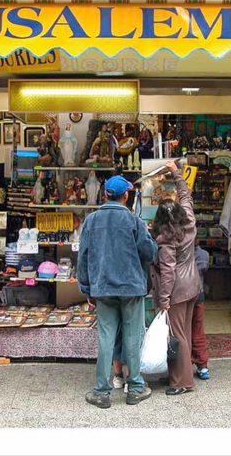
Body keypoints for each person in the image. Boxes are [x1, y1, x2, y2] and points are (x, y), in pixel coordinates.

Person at [78, 175, 157, 409]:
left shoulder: (91, 221)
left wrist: (87, 289)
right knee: (133, 338)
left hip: (103, 288)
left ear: (105, 195)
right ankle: (135, 388)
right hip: (131, 287)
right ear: (126, 196)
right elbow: (150, 252)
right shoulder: (134, 221)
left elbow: (82, 258)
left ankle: (102, 392)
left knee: (105, 337)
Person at [150, 161, 200, 396]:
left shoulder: (166, 239)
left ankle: (181, 382)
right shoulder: (189, 223)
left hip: (178, 290)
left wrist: (164, 299)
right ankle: (181, 374)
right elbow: (186, 196)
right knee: (185, 333)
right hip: (192, 286)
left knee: (177, 335)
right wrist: (176, 173)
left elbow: (168, 271)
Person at [192, 243, 211, 380]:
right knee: (198, 330)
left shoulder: (178, 252)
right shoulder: (203, 254)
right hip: (198, 295)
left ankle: (183, 366)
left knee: (180, 333)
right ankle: (202, 366)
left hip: (180, 297)